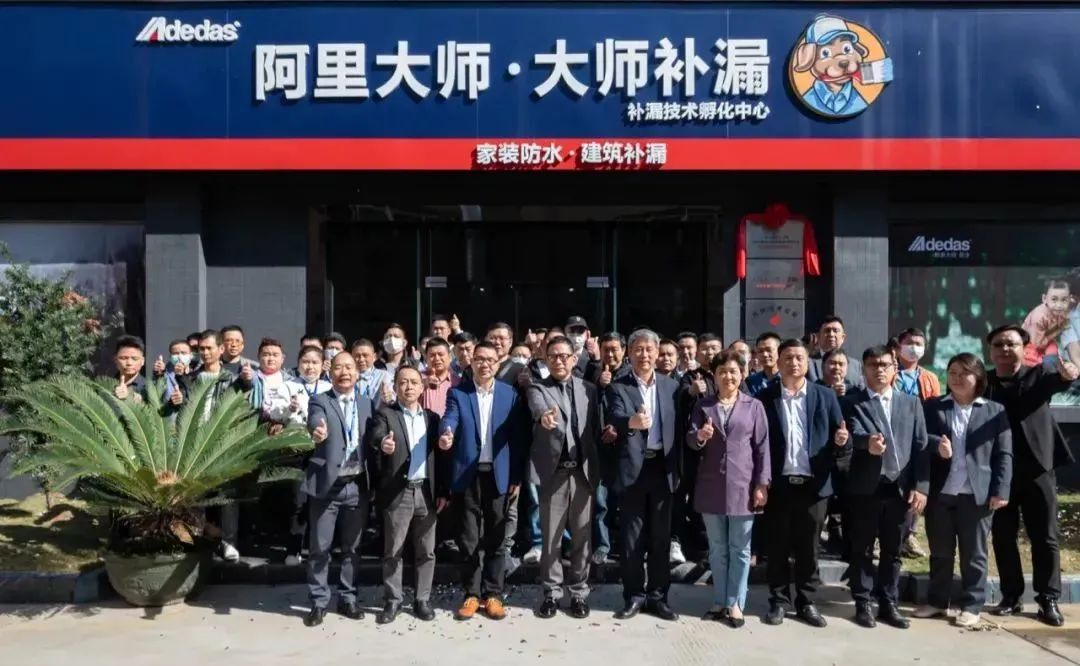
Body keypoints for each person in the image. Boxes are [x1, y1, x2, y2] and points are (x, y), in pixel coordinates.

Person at [985, 323, 1078, 626]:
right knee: (1003, 535)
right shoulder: (984, 383)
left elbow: (1060, 381)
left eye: (1011, 344)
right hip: (999, 471)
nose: (1004, 349)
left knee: (1045, 536)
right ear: (991, 351)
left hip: (1038, 467)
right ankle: (1010, 596)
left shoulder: (1039, 375)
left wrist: (1068, 374)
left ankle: (1048, 599)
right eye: (998, 344)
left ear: (1023, 348)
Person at [914, 353, 1012, 628]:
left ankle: (971, 605)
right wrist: (937, 445)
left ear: (977, 377)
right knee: (940, 551)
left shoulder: (994, 411)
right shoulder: (934, 406)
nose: (956, 378)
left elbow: (1004, 454)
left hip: (976, 493)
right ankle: (937, 601)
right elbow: (919, 438)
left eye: (963, 373)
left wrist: (1001, 489)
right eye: (952, 372)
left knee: (974, 554)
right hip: (942, 492)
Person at [758, 338, 847, 628]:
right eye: (788, 358)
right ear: (778, 362)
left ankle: (807, 601)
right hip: (779, 485)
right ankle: (779, 600)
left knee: (809, 549)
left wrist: (842, 442)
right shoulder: (765, 398)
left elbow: (841, 441)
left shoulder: (825, 396)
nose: (794, 363)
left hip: (814, 486)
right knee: (777, 547)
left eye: (799, 358)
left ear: (808, 362)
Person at [439, 341, 528, 621]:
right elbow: (450, 418)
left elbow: (518, 439)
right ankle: (471, 594)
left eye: (490, 359)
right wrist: (446, 432)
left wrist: (516, 476)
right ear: (472, 362)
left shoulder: (510, 395)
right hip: (468, 475)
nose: (485, 364)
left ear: (498, 364)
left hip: (499, 476)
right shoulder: (458, 393)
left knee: (497, 538)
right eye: (479, 359)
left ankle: (493, 594)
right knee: (468, 539)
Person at [842, 345, 929, 629]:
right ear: (864, 369)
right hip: (866, 487)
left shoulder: (911, 403)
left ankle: (888, 602)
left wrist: (921, 486)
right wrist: (865, 443)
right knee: (862, 548)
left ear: (894, 368)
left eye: (884, 365)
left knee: (893, 550)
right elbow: (847, 436)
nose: (879, 370)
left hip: (900, 488)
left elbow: (921, 447)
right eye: (872, 365)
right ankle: (863, 601)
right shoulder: (852, 402)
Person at [687, 350, 770, 628]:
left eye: (733, 371)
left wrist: (762, 484)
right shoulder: (704, 406)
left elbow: (762, 448)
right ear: (714, 375)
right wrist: (700, 436)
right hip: (711, 484)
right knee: (717, 548)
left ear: (742, 374)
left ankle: (736, 603)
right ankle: (719, 600)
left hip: (743, 486)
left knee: (740, 549)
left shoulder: (754, 406)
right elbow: (690, 439)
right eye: (722, 372)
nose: (728, 376)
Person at [605, 329, 681, 621]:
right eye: (638, 349)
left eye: (649, 349)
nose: (644, 355)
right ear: (629, 353)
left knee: (661, 538)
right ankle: (634, 595)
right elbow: (614, 416)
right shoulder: (619, 386)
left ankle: (658, 597)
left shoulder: (671, 386)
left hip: (662, 468)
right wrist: (631, 422)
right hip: (633, 470)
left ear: (658, 352)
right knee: (632, 538)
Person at [527, 336, 601, 620]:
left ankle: (579, 592)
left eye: (563, 356)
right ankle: (551, 593)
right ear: (546, 360)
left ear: (573, 358)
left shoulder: (588, 389)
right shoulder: (538, 388)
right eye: (553, 356)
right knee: (551, 538)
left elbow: (595, 427)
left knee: (583, 536)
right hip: (554, 473)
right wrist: (544, 417)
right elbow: (538, 408)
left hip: (583, 472)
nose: (558, 361)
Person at [368, 365, 446, 624]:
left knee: (426, 550)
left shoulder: (433, 419)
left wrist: (443, 491)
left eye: (414, 382)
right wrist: (383, 443)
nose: (409, 387)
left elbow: (441, 458)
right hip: (398, 492)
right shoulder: (386, 414)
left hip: (426, 491)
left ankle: (422, 599)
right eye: (403, 382)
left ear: (422, 387)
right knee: (394, 550)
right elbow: (376, 435)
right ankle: (393, 600)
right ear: (395, 387)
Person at [302, 351, 374, 627]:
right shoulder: (320, 400)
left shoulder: (367, 403)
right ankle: (319, 601)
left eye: (349, 367)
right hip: (327, 486)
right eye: (339, 367)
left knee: (352, 548)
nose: (344, 372)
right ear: (330, 372)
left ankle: (348, 598)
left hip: (356, 485)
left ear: (357, 372)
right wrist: (317, 430)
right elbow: (315, 420)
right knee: (320, 547)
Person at [171, 329, 244, 562]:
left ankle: (229, 542)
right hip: (195, 445)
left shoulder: (232, 379)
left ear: (221, 349)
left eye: (209, 348)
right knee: (194, 495)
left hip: (223, 443)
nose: (205, 352)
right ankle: (196, 541)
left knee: (227, 496)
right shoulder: (190, 378)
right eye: (201, 349)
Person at [283, 344, 332, 566]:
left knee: (321, 501)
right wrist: (290, 409)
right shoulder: (288, 385)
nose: (310, 366)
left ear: (323, 365)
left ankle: (320, 549)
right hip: (297, 450)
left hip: (322, 450)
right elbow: (275, 414)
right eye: (305, 362)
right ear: (298, 363)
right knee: (298, 501)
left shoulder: (329, 387)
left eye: (314, 362)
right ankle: (294, 549)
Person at [818, 347, 856, 560]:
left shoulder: (855, 392)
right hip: (821, 458)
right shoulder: (814, 389)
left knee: (848, 508)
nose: (836, 368)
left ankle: (848, 552)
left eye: (841, 364)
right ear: (823, 366)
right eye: (832, 363)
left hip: (847, 460)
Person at [807, 316, 863, 386]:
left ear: (843, 337)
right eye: (827, 331)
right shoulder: (809, 363)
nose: (831, 334)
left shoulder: (856, 365)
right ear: (818, 337)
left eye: (835, 331)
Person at [420, 337, 460, 417]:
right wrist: (423, 384)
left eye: (441, 354)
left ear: (450, 357)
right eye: (432, 355)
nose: (437, 358)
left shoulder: (458, 382)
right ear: (426, 358)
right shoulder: (417, 379)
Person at [351, 339, 395, 407]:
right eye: (357, 356)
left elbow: (392, 397)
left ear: (374, 357)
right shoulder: (347, 377)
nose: (361, 359)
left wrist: (389, 398)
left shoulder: (384, 376)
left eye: (365, 355)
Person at [111, 335, 148, 403]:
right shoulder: (106, 385)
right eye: (124, 358)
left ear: (142, 361)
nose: (129, 363)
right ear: (115, 360)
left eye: (134, 359)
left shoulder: (149, 388)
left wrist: (130, 396)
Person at [746, 332, 781, 397]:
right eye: (761, 351)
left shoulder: (787, 379)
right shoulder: (751, 381)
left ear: (779, 351)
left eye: (769, 350)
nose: (765, 354)